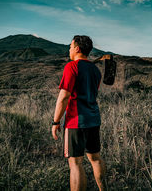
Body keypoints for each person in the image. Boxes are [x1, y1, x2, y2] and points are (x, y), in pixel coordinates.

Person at [52, 35, 107, 191]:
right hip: (93, 120)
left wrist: (55, 122)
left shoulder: (72, 67)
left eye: (70, 46)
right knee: (95, 158)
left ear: (77, 48)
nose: (69, 50)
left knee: (75, 163)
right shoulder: (95, 70)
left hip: (76, 121)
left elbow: (63, 97)